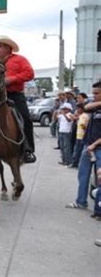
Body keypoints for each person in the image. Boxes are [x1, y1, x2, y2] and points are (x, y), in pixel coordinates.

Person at [66, 81, 101, 209]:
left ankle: (98, 209)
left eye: (97, 93)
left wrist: (94, 145)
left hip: (98, 148)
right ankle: (81, 202)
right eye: (93, 93)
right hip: (88, 146)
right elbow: (83, 107)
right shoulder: (95, 107)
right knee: (83, 175)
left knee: (99, 179)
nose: (94, 95)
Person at [69, 103, 90, 168]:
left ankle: (75, 163)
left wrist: (83, 126)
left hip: (82, 136)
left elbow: (86, 126)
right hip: (78, 135)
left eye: (78, 108)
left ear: (81, 109)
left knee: (78, 150)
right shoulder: (80, 116)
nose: (77, 110)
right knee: (77, 150)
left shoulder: (85, 116)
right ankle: (75, 163)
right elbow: (75, 119)